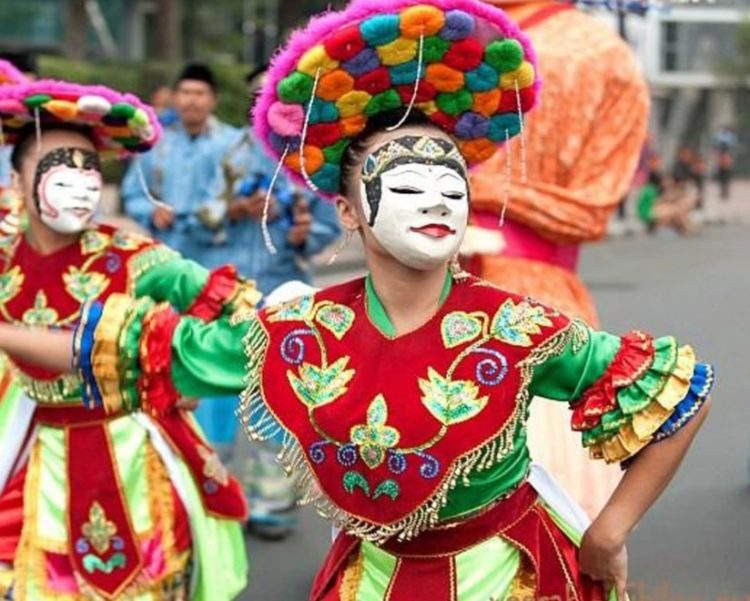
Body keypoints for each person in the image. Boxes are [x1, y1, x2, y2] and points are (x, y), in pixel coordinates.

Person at [0, 0, 713, 598]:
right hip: (367, 579)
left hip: (508, 575)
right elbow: (120, 346)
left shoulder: (517, 327)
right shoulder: (292, 327)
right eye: (404, 186)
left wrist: (608, 531)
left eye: (451, 188)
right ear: (349, 211)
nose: (434, 201)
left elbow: (681, 396)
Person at [0, 78, 255, 599]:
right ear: (18, 180)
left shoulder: (134, 258)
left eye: (89, 168)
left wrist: (184, 367)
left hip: (127, 449)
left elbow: (234, 306)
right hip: (28, 439)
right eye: (57, 170)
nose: (79, 183)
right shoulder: (4, 255)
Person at [461, 0, 651, 517]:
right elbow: (591, 211)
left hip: (525, 305)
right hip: (479, 301)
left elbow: (588, 214)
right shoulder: (427, 36)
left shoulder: (419, 41)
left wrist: (476, 188)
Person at [197, 67, 341, 539]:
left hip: (284, 291)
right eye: (259, 90)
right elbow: (193, 212)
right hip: (223, 288)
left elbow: (328, 224)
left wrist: (306, 235)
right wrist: (229, 212)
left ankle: (271, 502)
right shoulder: (222, 151)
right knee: (213, 390)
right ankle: (206, 496)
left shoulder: (311, 161)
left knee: (276, 398)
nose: (268, 98)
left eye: (277, 90)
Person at [120, 62, 242, 268]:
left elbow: (239, 196)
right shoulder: (156, 143)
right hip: (166, 253)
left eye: (200, 93)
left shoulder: (233, 144)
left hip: (218, 254)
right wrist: (152, 210)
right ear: (175, 98)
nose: (192, 100)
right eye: (185, 92)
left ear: (214, 100)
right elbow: (132, 192)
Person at [637, 171, 698, 235]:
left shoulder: (652, 189)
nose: (668, 183)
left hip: (650, 211)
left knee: (675, 211)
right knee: (676, 211)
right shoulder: (651, 189)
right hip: (648, 213)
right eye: (667, 181)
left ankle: (686, 228)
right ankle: (687, 227)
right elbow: (656, 203)